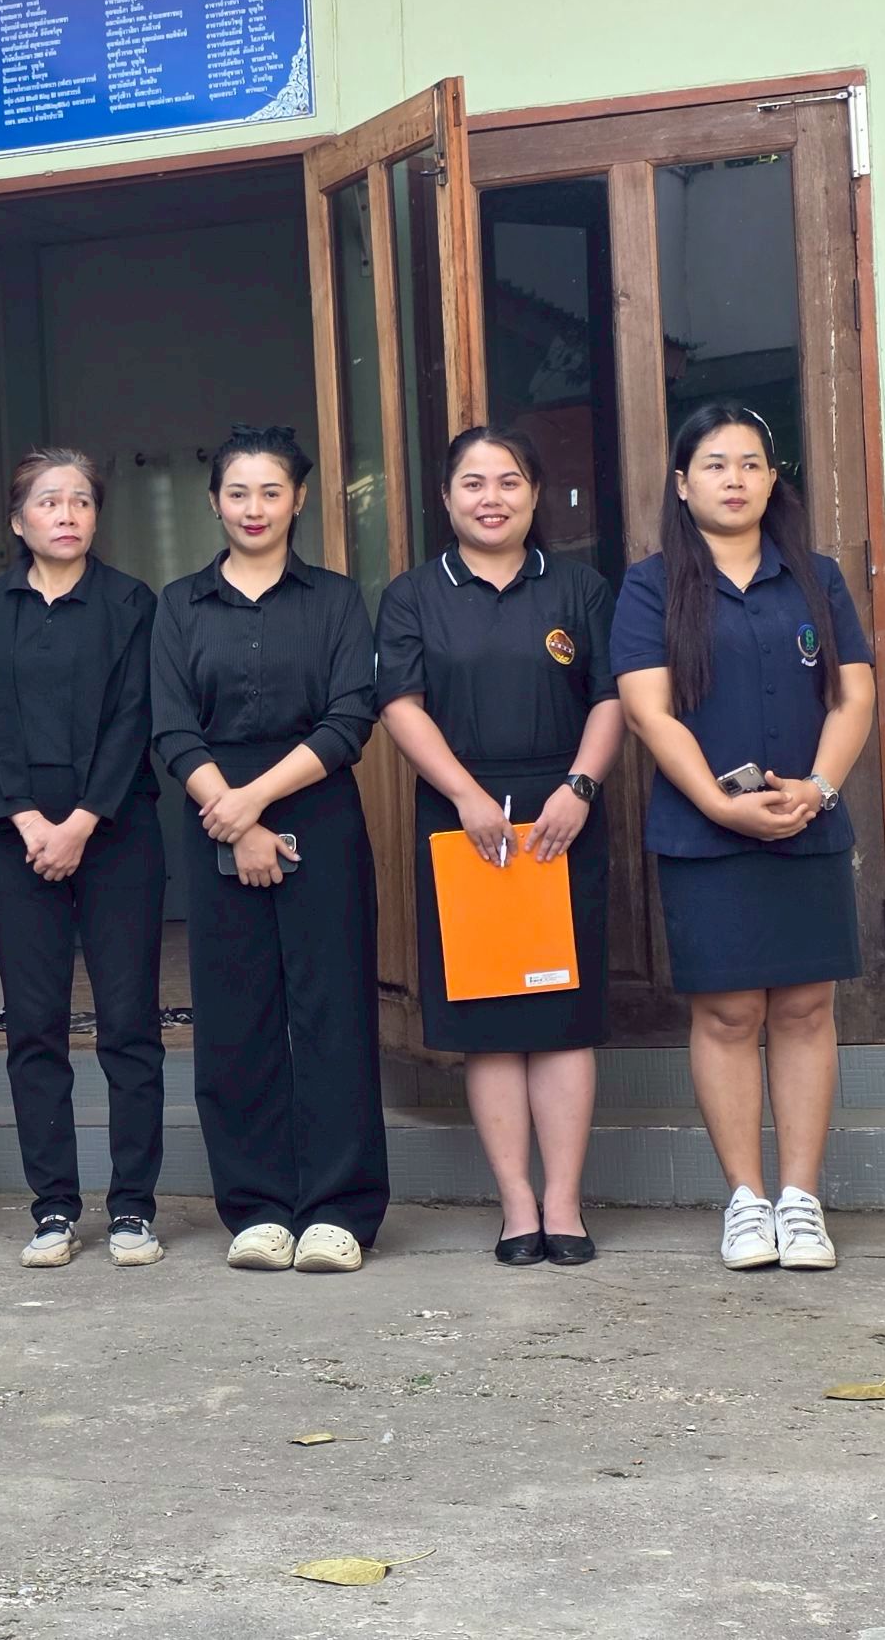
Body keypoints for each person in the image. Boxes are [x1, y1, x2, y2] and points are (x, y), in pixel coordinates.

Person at [612, 402, 877, 1272]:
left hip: (805, 821)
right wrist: (719, 806)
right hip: (706, 835)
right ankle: (746, 1201)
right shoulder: (652, 585)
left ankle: (801, 1199)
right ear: (683, 485)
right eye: (716, 465)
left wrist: (820, 787)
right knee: (728, 1013)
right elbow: (648, 711)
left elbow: (854, 694)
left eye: (752, 463)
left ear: (772, 479)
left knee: (804, 1007)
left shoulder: (815, 577)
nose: (735, 479)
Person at [377, 426, 624, 1267]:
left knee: (561, 1020)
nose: (492, 498)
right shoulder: (414, 595)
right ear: (447, 499)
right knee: (489, 1020)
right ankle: (517, 1202)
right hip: (464, 820)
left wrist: (580, 787)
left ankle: (564, 1202)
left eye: (509, 481)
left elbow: (611, 695)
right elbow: (401, 704)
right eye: (473, 483)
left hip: (562, 817)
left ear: (534, 493)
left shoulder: (579, 587)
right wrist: (465, 795)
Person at [151, 424, 385, 1273]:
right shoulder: (180, 604)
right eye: (238, 492)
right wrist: (236, 817)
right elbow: (172, 726)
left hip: (317, 812)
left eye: (272, 491)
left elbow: (350, 716)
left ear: (300, 499)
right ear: (215, 501)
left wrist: (254, 803)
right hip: (214, 816)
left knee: (332, 1012)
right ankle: (257, 1208)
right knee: (235, 1017)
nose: (254, 507)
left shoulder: (335, 599)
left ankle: (337, 1210)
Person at [0, 448, 167, 1271]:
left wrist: (80, 821)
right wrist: (25, 818)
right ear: (18, 520)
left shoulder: (131, 602)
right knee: (34, 1024)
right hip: (18, 838)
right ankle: (52, 1206)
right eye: (49, 501)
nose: (68, 513)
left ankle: (133, 1205)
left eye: (81, 500)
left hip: (116, 829)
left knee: (128, 1023)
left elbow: (135, 716)